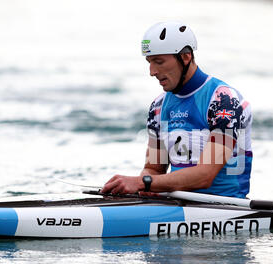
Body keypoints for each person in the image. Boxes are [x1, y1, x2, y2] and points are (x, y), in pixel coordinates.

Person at [101, 21, 253, 198]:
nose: (152, 71)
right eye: (149, 62)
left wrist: (142, 182)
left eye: (159, 62)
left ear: (186, 56)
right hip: (177, 204)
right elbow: (153, 169)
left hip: (226, 207)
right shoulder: (158, 107)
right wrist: (141, 188)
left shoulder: (224, 100)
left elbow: (205, 175)